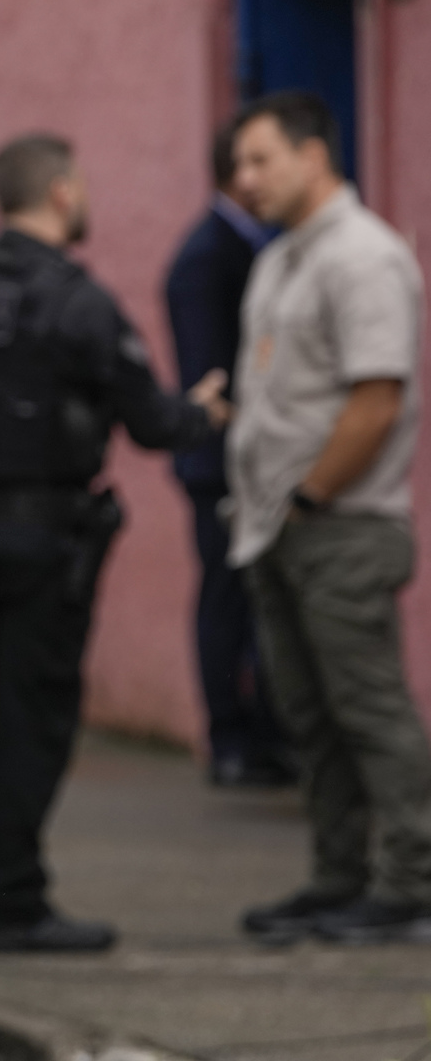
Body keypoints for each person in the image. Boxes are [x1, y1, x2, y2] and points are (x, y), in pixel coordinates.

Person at [0, 133, 230, 953]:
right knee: (33, 717)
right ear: (60, 193)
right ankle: (11, 900)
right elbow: (153, 422)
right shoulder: (76, 300)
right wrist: (205, 411)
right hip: (47, 538)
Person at [226, 90, 431, 945]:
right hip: (278, 527)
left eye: (261, 160)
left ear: (315, 155)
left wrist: (311, 496)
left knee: (368, 708)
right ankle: (339, 877)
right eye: (239, 165)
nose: (244, 181)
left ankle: (412, 881)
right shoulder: (284, 258)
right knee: (310, 714)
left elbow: (376, 399)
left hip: (340, 526)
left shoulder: (362, 256)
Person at [164, 126, 289, 787]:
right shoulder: (209, 254)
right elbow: (211, 373)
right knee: (224, 598)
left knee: (248, 600)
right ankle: (231, 740)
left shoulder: (244, 244)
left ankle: (264, 730)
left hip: (238, 461)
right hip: (216, 462)